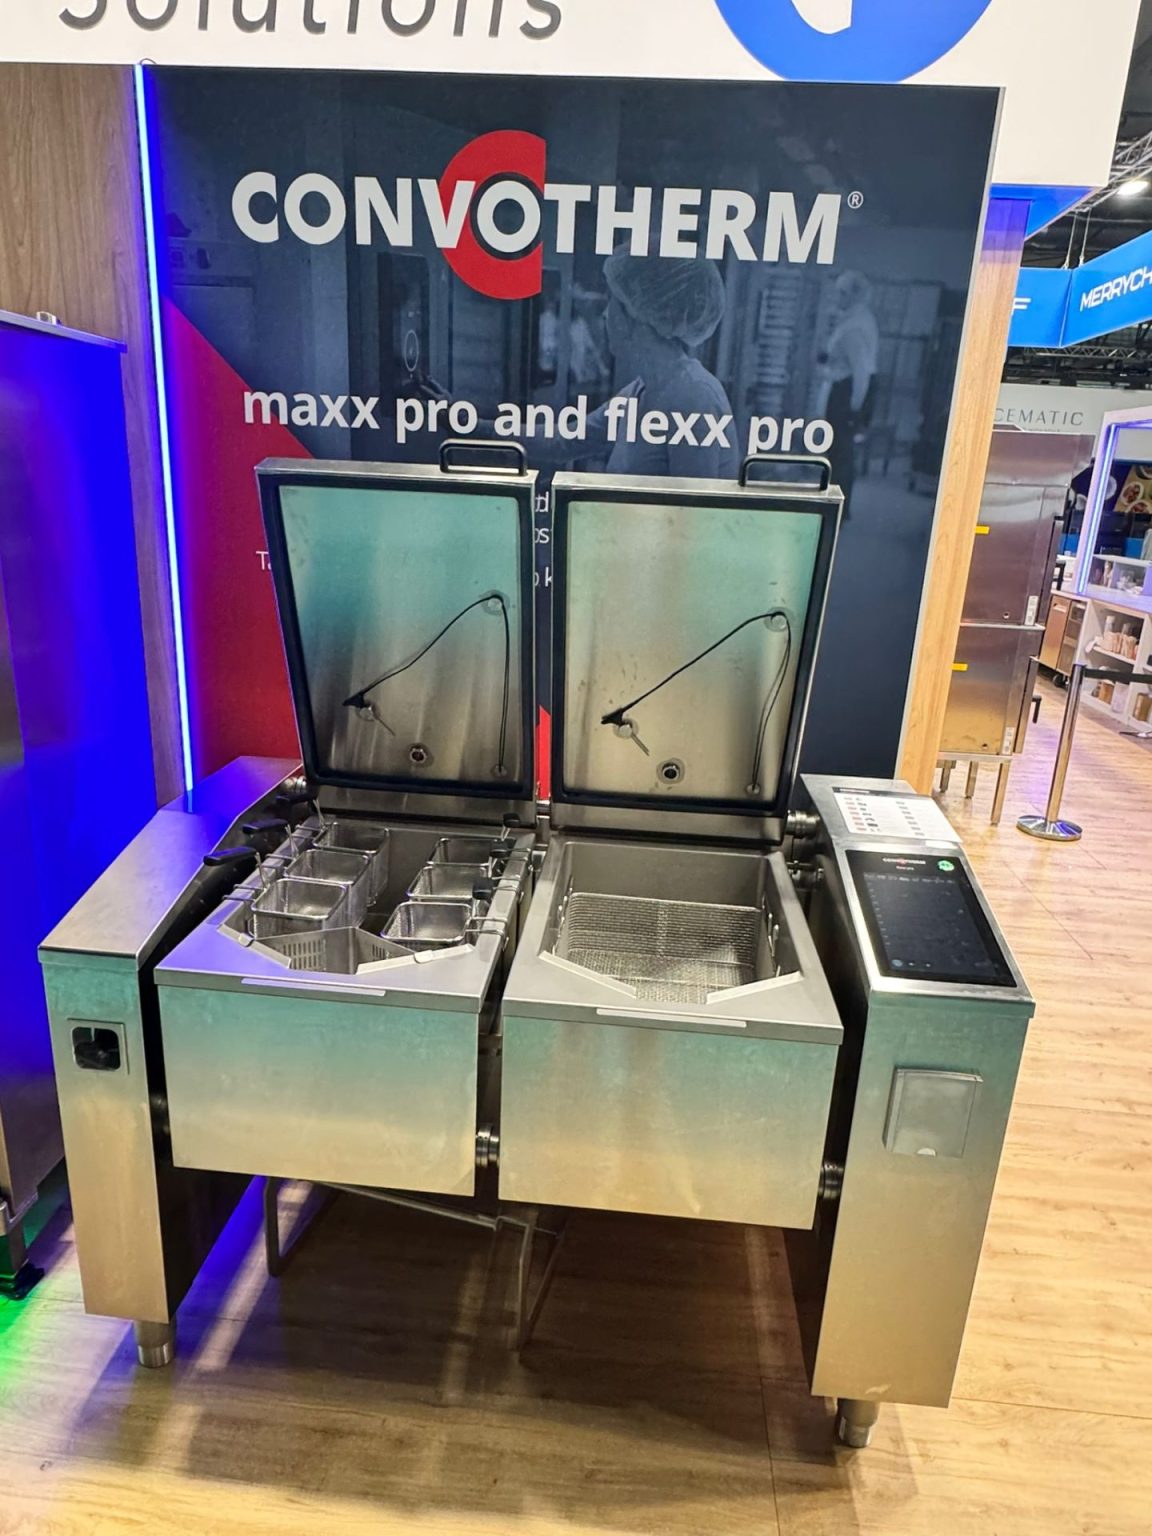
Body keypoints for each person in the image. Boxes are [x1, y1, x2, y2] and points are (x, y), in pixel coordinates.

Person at [597, 249, 739, 479]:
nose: (605, 314)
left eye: (612, 302)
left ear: (637, 315)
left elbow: (691, 500)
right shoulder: (641, 390)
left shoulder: (695, 397)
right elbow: (565, 441)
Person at [818, 270, 879, 513]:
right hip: (848, 388)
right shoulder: (856, 318)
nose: (837, 297)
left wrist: (854, 409)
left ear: (855, 295)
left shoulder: (855, 327)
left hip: (847, 391)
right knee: (840, 452)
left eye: (842, 293)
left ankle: (838, 510)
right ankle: (840, 507)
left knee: (840, 453)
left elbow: (860, 373)